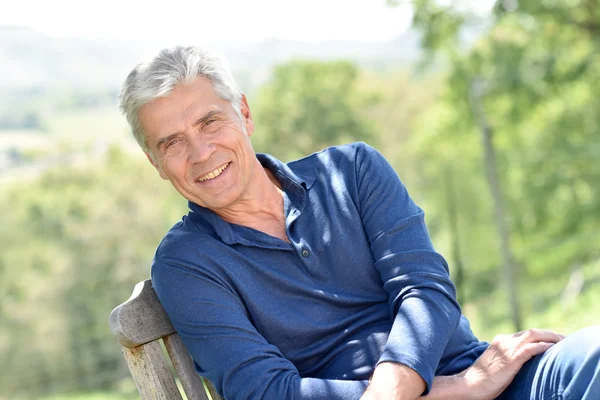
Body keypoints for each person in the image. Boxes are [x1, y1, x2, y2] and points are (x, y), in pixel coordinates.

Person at [118, 46, 599, 400]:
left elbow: (424, 292)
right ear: (155, 162)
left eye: (209, 122)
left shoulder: (352, 171)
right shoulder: (187, 264)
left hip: (486, 379)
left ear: (243, 112)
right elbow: (264, 393)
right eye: (172, 143)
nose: (201, 153)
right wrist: (456, 391)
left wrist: (459, 381)